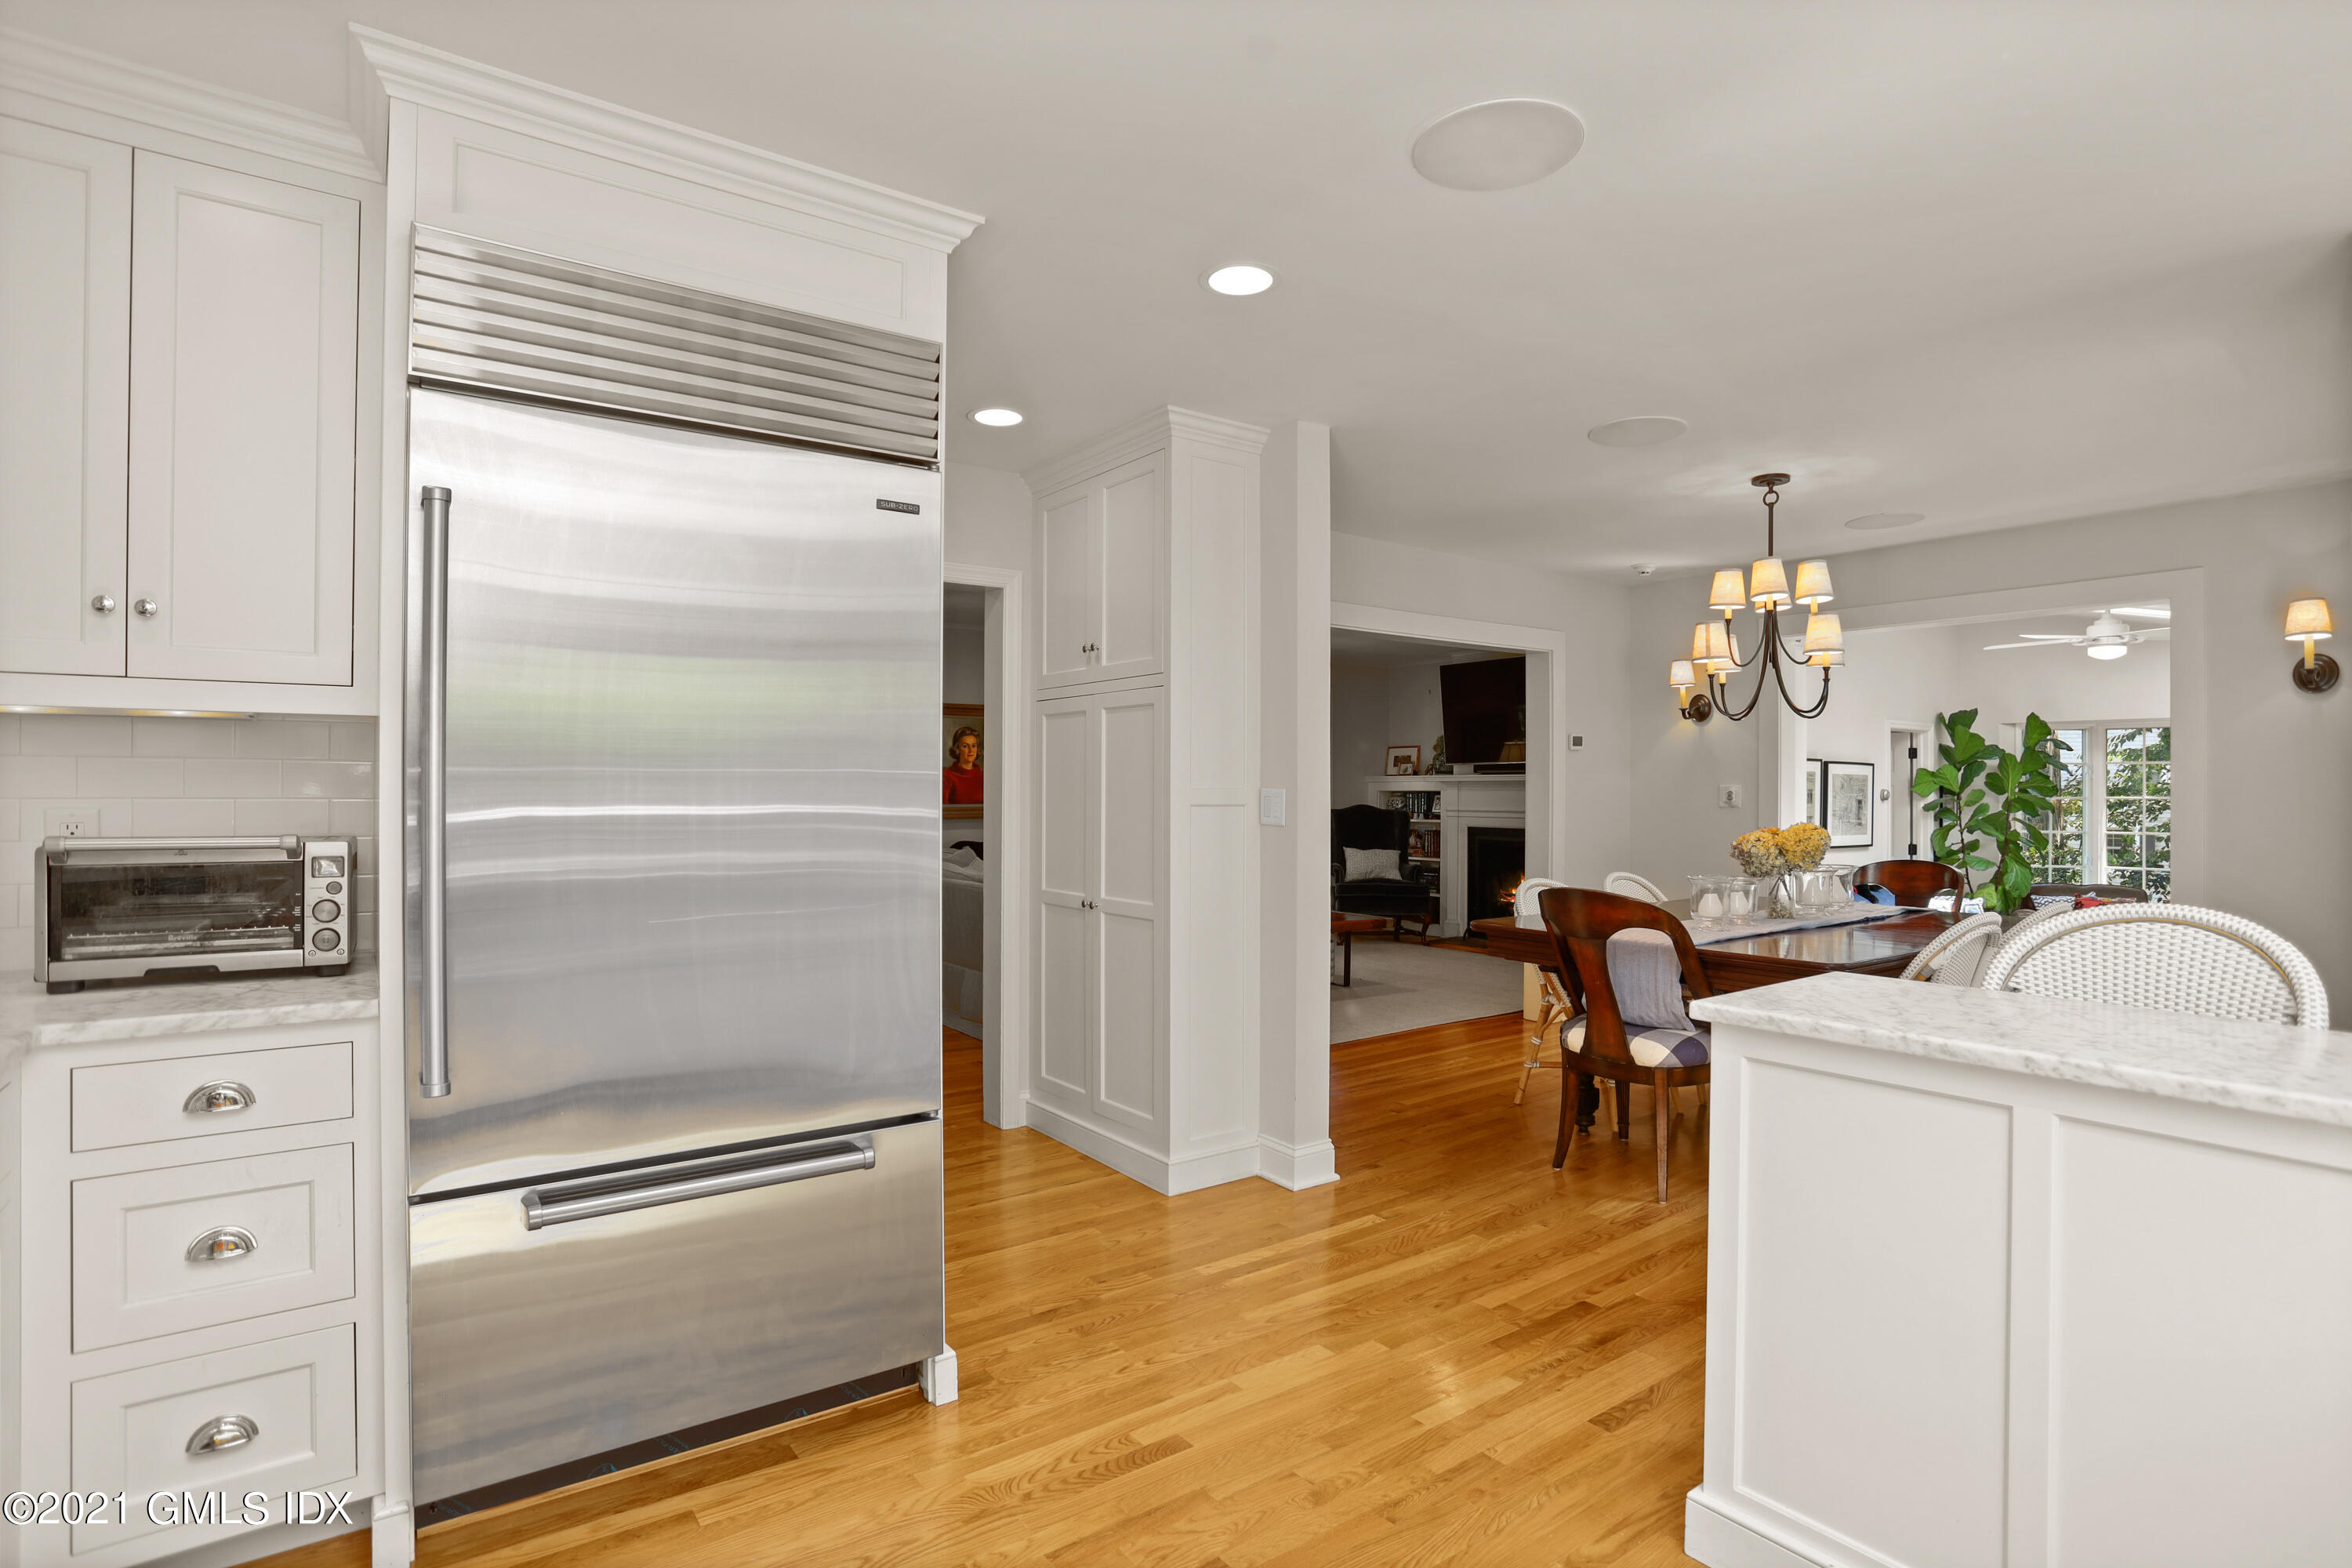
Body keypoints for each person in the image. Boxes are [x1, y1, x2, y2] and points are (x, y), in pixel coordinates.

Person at [943, 725, 983, 804]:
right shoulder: (947, 776)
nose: (971, 750)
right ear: (957, 749)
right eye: (965, 746)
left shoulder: (983, 776)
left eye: (974, 746)